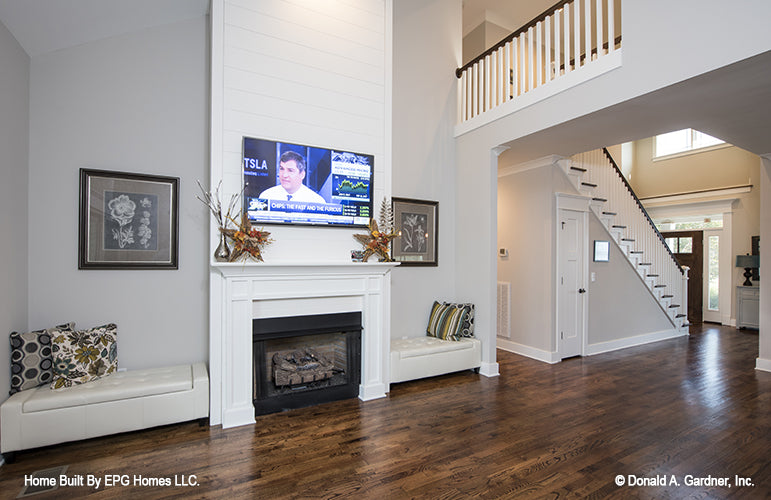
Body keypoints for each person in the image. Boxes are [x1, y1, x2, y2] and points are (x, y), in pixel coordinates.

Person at [259, 151, 325, 203]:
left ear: (302, 174)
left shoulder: (316, 201)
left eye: (290, 170)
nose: (284, 175)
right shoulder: (266, 196)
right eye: (282, 169)